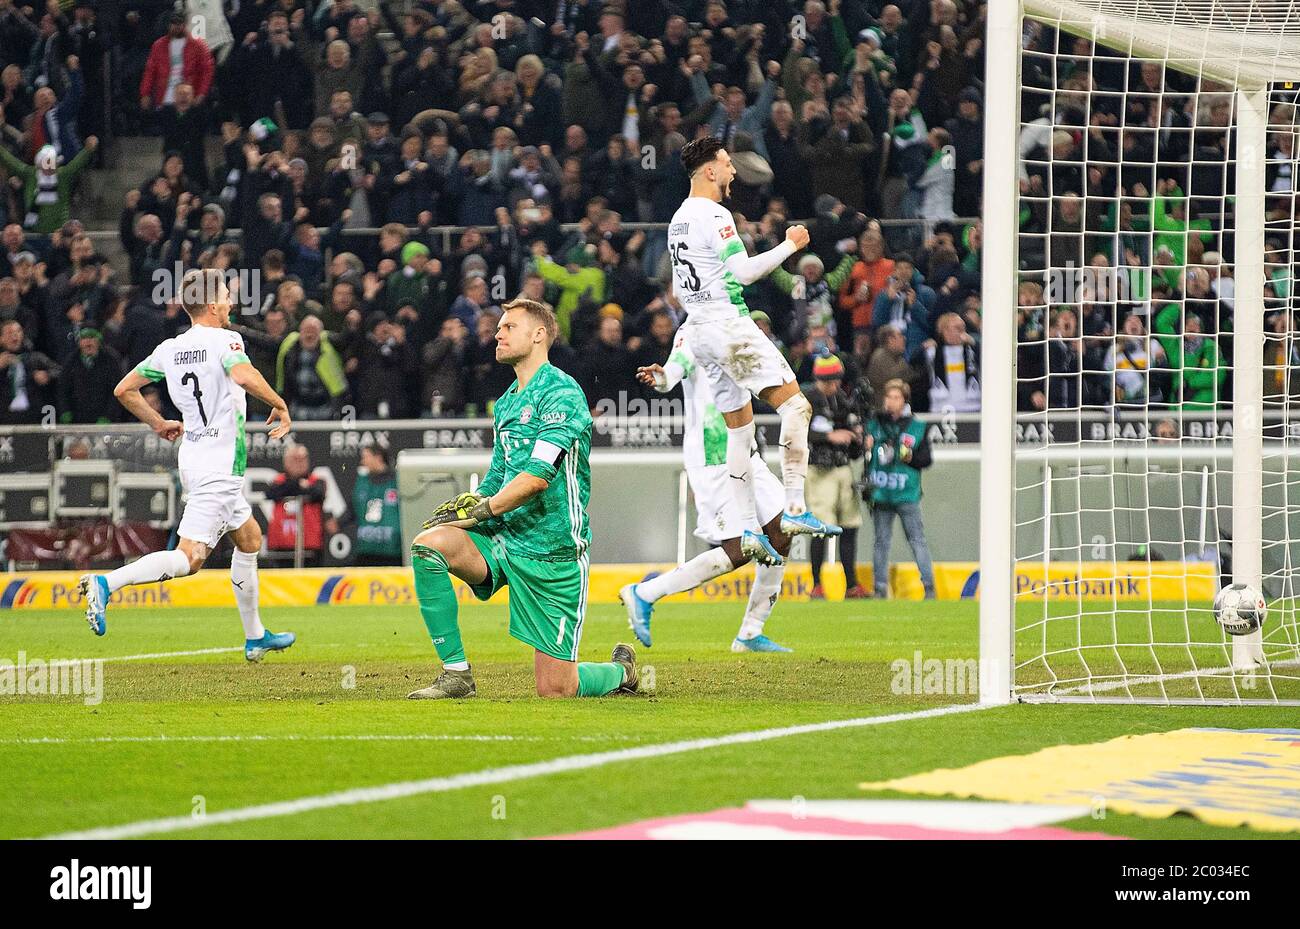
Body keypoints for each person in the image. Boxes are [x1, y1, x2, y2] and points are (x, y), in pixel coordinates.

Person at [406, 298, 638, 700]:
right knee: (430, 546)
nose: (497, 333)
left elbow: (536, 478)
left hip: (554, 551)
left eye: (508, 326)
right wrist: (467, 511)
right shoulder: (509, 401)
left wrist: (483, 509)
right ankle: (456, 674)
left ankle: (621, 673)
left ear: (538, 335)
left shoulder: (562, 392)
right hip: (505, 538)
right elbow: (500, 475)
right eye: (499, 327)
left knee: (556, 690)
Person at [82, 269, 296, 661]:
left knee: (248, 538)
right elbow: (242, 373)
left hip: (194, 459)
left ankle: (255, 636)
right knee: (190, 558)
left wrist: (158, 423)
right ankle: (106, 583)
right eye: (228, 296)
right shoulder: (226, 339)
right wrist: (279, 403)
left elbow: (124, 389)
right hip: (219, 466)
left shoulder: (171, 348)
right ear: (213, 305)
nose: (231, 302)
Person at [667, 136, 841, 569]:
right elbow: (742, 272)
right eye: (726, 164)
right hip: (729, 327)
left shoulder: (677, 220)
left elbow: (677, 289)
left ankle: (748, 524)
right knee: (797, 408)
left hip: (700, 331)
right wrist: (790, 245)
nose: (732, 172)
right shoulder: (715, 214)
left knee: (740, 430)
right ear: (709, 170)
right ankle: (797, 507)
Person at [621, 325, 794, 653]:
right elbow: (674, 370)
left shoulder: (733, 324)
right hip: (713, 456)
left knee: (782, 529)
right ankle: (645, 593)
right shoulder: (694, 330)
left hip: (745, 450)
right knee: (742, 547)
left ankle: (750, 633)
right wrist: (660, 378)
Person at [865, 379, 936, 599]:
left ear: (904, 400)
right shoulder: (874, 424)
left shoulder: (917, 427)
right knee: (881, 542)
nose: (891, 402)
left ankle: (929, 586)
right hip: (882, 491)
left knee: (917, 540)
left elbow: (926, 460)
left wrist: (910, 457)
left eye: (896, 397)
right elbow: (866, 457)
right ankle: (880, 589)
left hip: (906, 492)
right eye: (888, 397)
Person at [804, 355, 868, 600]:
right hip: (820, 470)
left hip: (842, 467)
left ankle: (851, 585)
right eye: (827, 381)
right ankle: (817, 585)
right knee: (821, 528)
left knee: (850, 525)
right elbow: (796, 429)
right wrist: (830, 436)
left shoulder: (841, 398)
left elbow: (850, 428)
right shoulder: (808, 398)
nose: (832, 385)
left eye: (835, 381)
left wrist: (857, 436)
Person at [351, 444, 402, 566]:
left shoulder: (398, 481)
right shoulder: (362, 482)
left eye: (366, 457)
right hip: (366, 551)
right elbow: (353, 507)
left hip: (392, 553)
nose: (362, 461)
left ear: (378, 457)